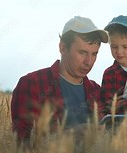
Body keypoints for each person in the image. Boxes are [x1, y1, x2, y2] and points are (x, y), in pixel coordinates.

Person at [11, 16, 108, 145]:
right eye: (82, 52)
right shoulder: (31, 84)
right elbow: (21, 145)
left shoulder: (96, 91)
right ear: (63, 48)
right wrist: (69, 136)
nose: (89, 62)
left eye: (94, 54)